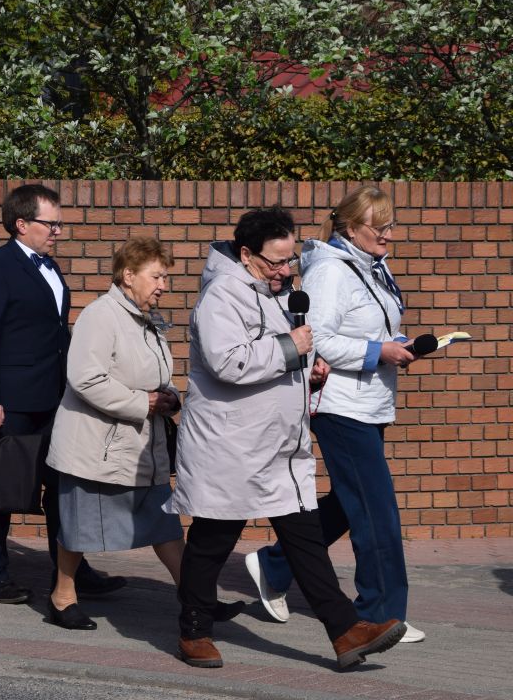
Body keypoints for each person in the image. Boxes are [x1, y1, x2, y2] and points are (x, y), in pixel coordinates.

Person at [167, 206, 405, 670]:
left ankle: (345, 631)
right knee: (213, 540)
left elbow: (282, 354)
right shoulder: (222, 294)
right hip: (231, 444)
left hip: (279, 446)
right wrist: (290, 349)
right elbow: (228, 362)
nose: (284, 270)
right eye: (274, 261)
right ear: (246, 254)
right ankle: (193, 631)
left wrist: (309, 370)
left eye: (289, 260)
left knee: (306, 541)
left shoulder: (277, 292)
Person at [246, 187, 425, 643]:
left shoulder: (371, 266)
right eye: (379, 227)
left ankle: (274, 565)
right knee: (377, 512)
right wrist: (378, 352)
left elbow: (368, 327)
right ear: (350, 228)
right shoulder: (331, 271)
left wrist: (396, 343)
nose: (389, 235)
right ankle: (381, 614)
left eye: (390, 226)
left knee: (351, 502)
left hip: (369, 403)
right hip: (341, 407)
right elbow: (318, 339)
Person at [45, 237, 243, 630]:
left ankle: (196, 598)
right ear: (128, 275)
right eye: (157, 277)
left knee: (164, 525)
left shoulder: (145, 319)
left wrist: (167, 396)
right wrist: (144, 402)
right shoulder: (101, 316)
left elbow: (155, 375)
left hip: (140, 449)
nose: (163, 285)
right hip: (96, 447)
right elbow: (85, 379)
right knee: (80, 527)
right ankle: (62, 596)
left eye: (164, 277)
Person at [0, 183, 124, 605]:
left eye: (59, 224)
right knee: (0, 490)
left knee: (62, 487)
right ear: (21, 224)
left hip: (54, 397)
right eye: (50, 224)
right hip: (10, 400)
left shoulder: (49, 267)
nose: (58, 231)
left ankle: (70, 571)